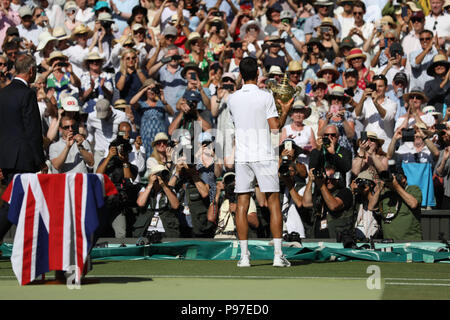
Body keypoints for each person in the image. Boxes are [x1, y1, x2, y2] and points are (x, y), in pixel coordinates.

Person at [227, 56, 290, 267]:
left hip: (243, 156)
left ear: (240, 76)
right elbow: (275, 127)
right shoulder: (266, 96)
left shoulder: (232, 99)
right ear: (257, 74)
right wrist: (286, 109)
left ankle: (244, 257)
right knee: (273, 204)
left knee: (242, 205)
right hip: (264, 154)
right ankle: (277, 256)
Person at [0, 54, 46, 241]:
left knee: (19, 203)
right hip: (24, 158)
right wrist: (40, 161)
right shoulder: (27, 94)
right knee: (13, 203)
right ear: (31, 71)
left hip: (7, 158)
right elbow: (33, 130)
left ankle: (33, 242)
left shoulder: (3, 93)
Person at [368, 166, 423, 241]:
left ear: (404, 179)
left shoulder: (412, 189)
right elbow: (371, 207)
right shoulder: (386, 193)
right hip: (389, 243)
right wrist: (380, 188)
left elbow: (413, 204)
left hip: (409, 242)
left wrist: (396, 185)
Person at [302, 164, 354, 239]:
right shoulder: (319, 194)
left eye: (332, 177)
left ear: (337, 177)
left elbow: (334, 206)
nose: (328, 180)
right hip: (317, 241)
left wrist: (321, 184)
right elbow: (306, 204)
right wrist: (310, 181)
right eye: (326, 177)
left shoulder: (345, 192)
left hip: (338, 242)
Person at [130, 78, 174, 158]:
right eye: (149, 89)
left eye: (153, 89)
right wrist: (145, 89)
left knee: (162, 159)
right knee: (147, 159)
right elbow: (132, 102)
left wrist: (164, 101)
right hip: (146, 137)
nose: (151, 91)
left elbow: (172, 112)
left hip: (161, 138)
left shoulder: (161, 104)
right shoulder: (142, 105)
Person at [208, 172, 259, 239]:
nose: (231, 184)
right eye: (228, 182)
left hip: (237, 236)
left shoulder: (245, 198)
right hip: (220, 236)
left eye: (233, 181)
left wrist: (238, 211)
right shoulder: (219, 200)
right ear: (223, 184)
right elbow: (211, 218)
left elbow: (255, 223)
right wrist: (217, 194)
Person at [355, 74, 397, 152]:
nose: (377, 89)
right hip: (366, 147)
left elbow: (387, 117)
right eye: (375, 86)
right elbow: (357, 115)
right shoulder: (366, 103)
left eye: (380, 86)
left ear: (386, 88)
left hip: (385, 148)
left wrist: (375, 103)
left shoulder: (392, 103)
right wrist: (362, 99)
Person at [136, 164, 181, 239]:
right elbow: (140, 203)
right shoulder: (145, 189)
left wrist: (164, 187)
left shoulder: (170, 190)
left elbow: (175, 206)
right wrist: (150, 185)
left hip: (166, 230)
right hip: (147, 229)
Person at [49, 105, 94, 173]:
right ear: (60, 129)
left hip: (81, 181)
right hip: (64, 182)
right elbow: (57, 165)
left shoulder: (82, 142)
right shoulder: (54, 146)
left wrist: (80, 147)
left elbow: (91, 163)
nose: (70, 129)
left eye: (73, 126)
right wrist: (67, 147)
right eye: (67, 127)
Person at [350, 170, 381, 240]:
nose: (361, 185)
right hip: (357, 240)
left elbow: (372, 206)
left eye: (364, 182)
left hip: (372, 240)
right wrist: (352, 190)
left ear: (371, 185)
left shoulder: (377, 199)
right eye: (359, 183)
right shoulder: (356, 200)